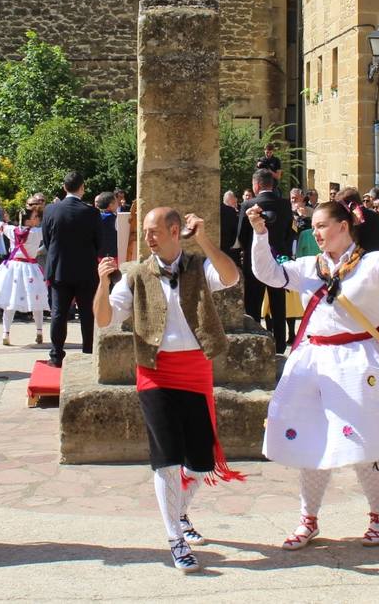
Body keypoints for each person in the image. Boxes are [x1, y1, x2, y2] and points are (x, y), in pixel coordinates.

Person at [247, 197, 379, 551]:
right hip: (314, 362)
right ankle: (309, 519)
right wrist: (260, 234)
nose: (315, 232)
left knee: (363, 445)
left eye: (321, 226)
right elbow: (269, 274)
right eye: (314, 226)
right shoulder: (308, 267)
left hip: (357, 362)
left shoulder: (371, 263)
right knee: (311, 441)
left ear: (343, 226)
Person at [94, 208, 241, 571]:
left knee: (200, 462)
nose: (147, 237)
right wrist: (101, 282)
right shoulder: (136, 275)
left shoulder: (197, 266)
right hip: (154, 373)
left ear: (175, 230)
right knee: (167, 459)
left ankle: (181, 514)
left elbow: (231, 276)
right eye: (145, 231)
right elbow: (104, 319)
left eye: (154, 230)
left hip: (195, 370)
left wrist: (204, 237)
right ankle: (174, 537)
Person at [42, 171, 104, 367]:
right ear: (82, 188)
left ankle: (56, 356)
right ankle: (88, 352)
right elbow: (99, 243)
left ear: (64, 187)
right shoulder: (92, 212)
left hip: (60, 268)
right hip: (85, 270)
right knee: (87, 313)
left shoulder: (51, 210)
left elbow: (47, 239)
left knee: (58, 313)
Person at [236, 168, 294, 353]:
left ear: (256, 185)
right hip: (279, 258)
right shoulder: (285, 204)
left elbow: (241, 236)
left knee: (253, 302)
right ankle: (279, 344)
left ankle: (255, 343)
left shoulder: (248, 205)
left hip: (255, 260)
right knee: (278, 302)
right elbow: (288, 232)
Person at [0, 206, 47, 346]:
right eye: (35, 217)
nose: (38, 219)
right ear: (28, 220)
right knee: (36, 299)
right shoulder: (37, 232)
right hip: (30, 268)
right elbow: (52, 228)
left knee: (9, 300)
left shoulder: (11, 230)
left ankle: (6, 333)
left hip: (13, 267)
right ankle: (39, 331)